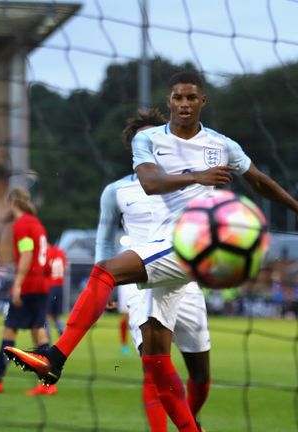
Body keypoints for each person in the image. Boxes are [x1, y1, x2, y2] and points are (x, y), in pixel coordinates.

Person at [4, 71, 298, 432]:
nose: (184, 104)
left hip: (192, 245)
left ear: (203, 101)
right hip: (159, 247)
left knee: (106, 272)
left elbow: (259, 180)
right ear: (169, 100)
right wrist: (197, 177)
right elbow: (151, 183)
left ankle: (55, 358)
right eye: (178, 98)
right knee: (154, 360)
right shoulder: (147, 141)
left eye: (191, 98)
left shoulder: (222, 145)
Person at [95, 108, 212, 430]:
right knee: (154, 365)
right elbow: (104, 242)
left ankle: (190, 420)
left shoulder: (189, 183)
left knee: (201, 374)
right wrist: (102, 285)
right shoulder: (115, 191)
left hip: (184, 279)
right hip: (139, 281)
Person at [0, 188, 55, 396]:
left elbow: (26, 254)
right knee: (39, 331)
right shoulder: (37, 223)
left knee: (9, 330)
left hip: (28, 285)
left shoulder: (22, 224)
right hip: (42, 284)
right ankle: (49, 383)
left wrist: (17, 284)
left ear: (12, 202)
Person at [44, 244, 67, 339]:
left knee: (46, 314)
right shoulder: (61, 252)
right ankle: (64, 335)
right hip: (60, 286)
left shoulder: (47, 252)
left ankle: (46, 338)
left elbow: (45, 268)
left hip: (50, 286)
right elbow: (64, 266)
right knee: (56, 314)